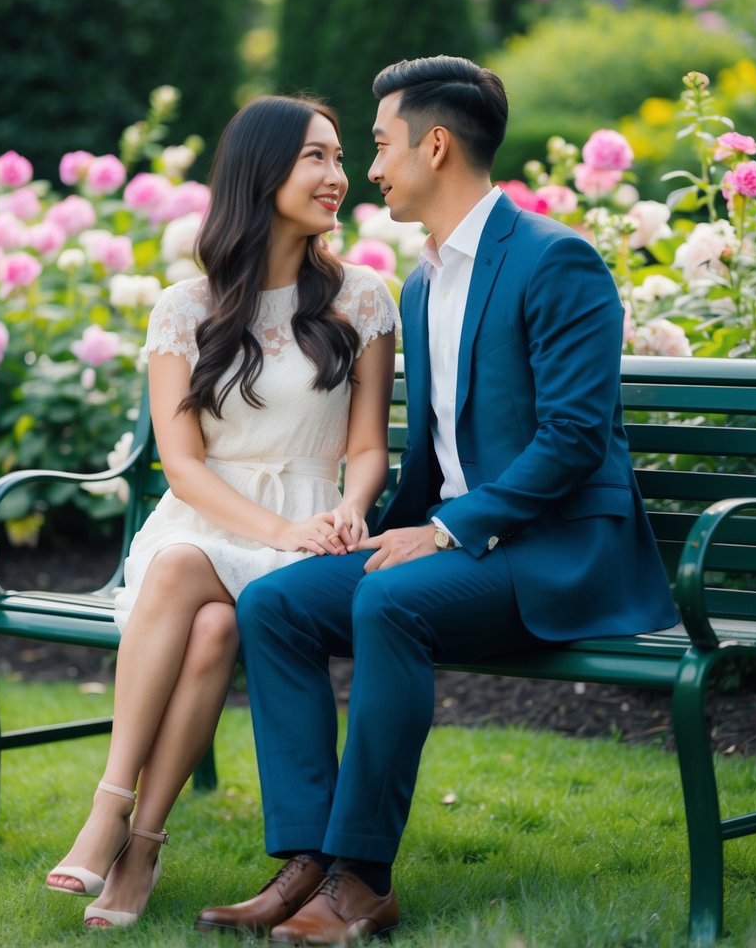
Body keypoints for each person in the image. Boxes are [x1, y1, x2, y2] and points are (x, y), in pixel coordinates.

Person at [195, 55, 678, 944]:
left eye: (379, 145)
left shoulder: (554, 260)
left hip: (557, 553)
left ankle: (363, 880)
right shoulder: (420, 283)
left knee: (391, 600)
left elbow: (573, 439)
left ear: (437, 144)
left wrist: (447, 530)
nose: (368, 169)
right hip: (461, 549)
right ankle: (306, 862)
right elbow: (441, 450)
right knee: (275, 605)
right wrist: (369, 524)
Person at [44, 95, 399, 930]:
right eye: (316, 157)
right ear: (261, 168)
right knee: (190, 596)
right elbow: (182, 465)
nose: (338, 176)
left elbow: (368, 448)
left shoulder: (362, 299)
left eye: (342, 158)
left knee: (204, 615)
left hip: (312, 523)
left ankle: (118, 828)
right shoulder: (184, 306)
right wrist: (274, 529)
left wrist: (348, 508)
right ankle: (130, 832)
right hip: (207, 522)